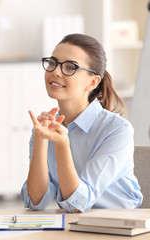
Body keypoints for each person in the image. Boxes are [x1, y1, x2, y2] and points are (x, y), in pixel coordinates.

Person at [21, 33, 143, 213]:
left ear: (93, 82)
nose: (55, 71)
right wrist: (40, 140)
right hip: (72, 225)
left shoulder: (118, 130)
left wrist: (62, 144)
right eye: (53, 63)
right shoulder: (46, 128)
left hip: (118, 225)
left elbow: (78, 203)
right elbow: (36, 201)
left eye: (70, 67)